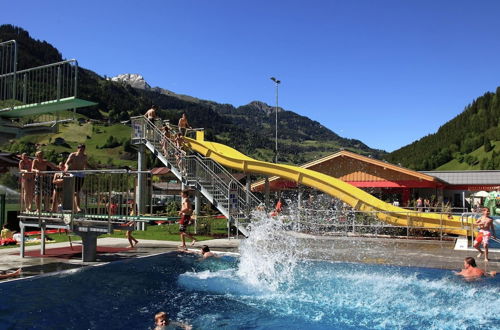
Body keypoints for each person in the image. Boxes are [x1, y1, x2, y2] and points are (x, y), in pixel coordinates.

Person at [65, 144, 91, 213]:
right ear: (77, 149)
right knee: (75, 192)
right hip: (73, 174)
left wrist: (94, 169)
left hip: (81, 175)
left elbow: (86, 164)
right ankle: (77, 208)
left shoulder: (85, 156)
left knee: (77, 192)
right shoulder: (73, 155)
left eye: (83, 150)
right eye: (80, 149)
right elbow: (67, 163)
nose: (82, 151)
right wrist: (66, 168)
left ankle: (76, 208)